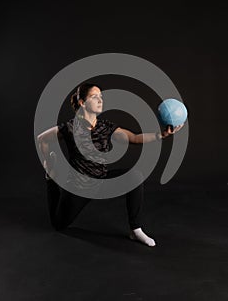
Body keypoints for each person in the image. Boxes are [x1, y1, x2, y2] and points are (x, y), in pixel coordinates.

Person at [37, 83, 183, 247]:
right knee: (59, 225)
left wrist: (161, 135)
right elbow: (42, 139)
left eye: (101, 96)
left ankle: (136, 230)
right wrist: (48, 165)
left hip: (102, 181)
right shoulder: (70, 127)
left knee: (134, 176)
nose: (100, 100)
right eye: (94, 96)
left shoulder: (105, 127)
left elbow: (134, 138)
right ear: (82, 103)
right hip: (79, 188)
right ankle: (50, 179)